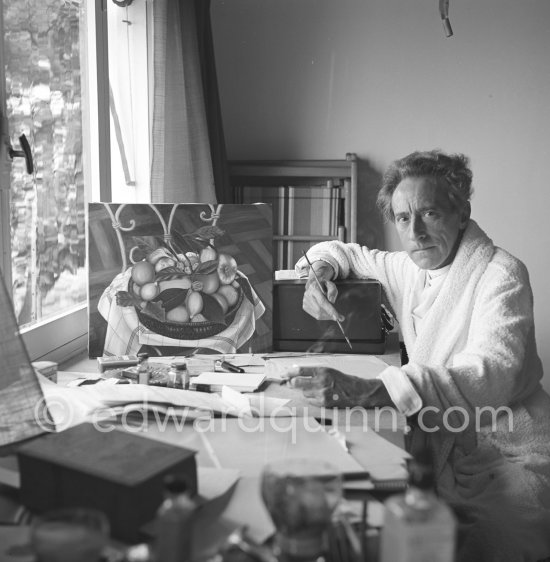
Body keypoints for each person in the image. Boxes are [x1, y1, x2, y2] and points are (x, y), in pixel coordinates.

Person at [292, 149, 550, 561]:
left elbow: (492, 372)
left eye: (429, 213)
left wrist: (378, 390)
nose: (415, 232)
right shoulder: (409, 269)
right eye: (402, 218)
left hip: (508, 441)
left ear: (461, 212)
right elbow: (342, 252)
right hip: (442, 438)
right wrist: (318, 272)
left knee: (494, 539)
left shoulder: (503, 274)